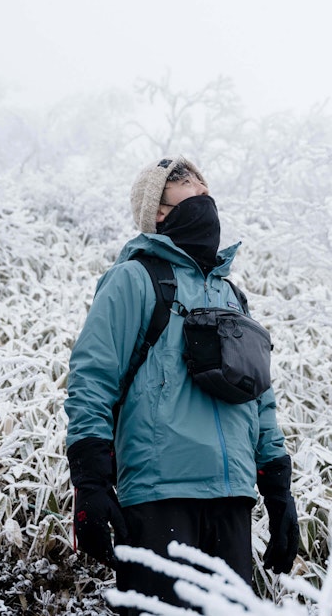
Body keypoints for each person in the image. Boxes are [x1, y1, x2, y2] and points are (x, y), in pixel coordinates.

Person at [64, 156, 300, 611]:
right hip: (159, 495)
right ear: (158, 211)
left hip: (231, 498)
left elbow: (259, 396)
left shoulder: (230, 295)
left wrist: (277, 489)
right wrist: (90, 482)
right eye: (185, 186)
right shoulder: (135, 278)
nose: (201, 192)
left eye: (202, 184)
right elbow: (92, 378)